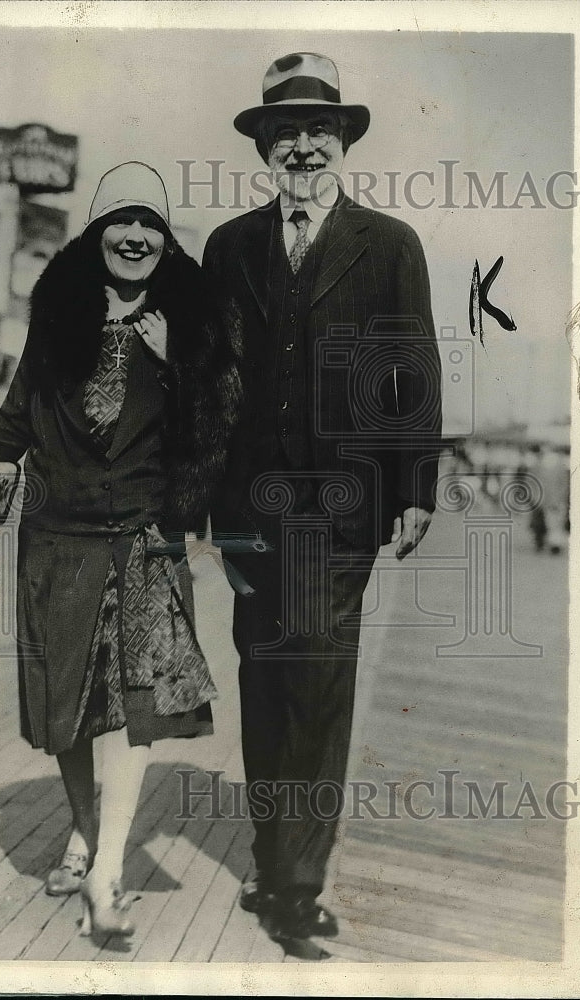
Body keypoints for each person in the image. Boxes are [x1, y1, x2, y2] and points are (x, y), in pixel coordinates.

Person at [203, 53, 442, 942]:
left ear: (342, 143)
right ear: (265, 146)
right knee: (265, 677)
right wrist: (200, 497)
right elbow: (208, 378)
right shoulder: (230, 247)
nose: (302, 147)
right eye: (286, 133)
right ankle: (275, 863)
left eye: (319, 131)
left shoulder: (389, 246)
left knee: (320, 680)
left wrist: (415, 487)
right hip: (250, 512)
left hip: (344, 509)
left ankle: (299, 883)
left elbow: (411, 371)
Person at [0, 161, 241, 938]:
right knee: (68, 712)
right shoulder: (56, 317)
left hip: (143, 541)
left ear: (166, 241)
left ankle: (111, 868)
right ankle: (85, 830)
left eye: (149, 225)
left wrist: (174, 365)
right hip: (56, 540)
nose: (134, 237)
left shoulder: (191, 325)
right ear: (96, 237)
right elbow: (13, 424)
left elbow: (218, 438)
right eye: (120, 224)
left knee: (133, 707)